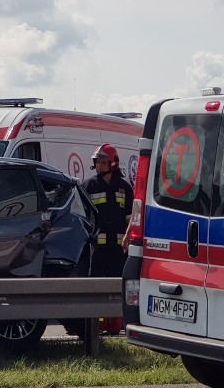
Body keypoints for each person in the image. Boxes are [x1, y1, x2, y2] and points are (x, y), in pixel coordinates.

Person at [81, 143, 133, 335]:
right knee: (96, 286)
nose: (99, 166)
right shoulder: (88, 186)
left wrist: (128, 239)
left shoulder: (124, 188)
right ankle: (99, 325)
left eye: (103, 162)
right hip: (97, 248)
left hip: (118, 248)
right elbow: (83, 217)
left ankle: (116, 325)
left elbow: (130, 218)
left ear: (113, 163)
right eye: (97, 162)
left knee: (117, 286)